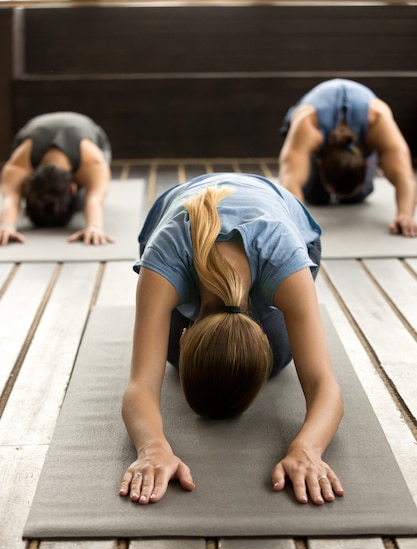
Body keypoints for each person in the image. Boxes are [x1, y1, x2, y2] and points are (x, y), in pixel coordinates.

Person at [119, 172, 344, 507]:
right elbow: (140, 385)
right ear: (185, 337)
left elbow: (324, 384)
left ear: (185, 336)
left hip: (281, 219)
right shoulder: (163, 260)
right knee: (244, 360)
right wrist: (151, 447)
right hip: (176, 213)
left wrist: (307, 450)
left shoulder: (284, 259)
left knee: (273, 357)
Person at [278, 78, 417, 237]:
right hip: (311, 133)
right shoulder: (309, 127)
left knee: (357, 196)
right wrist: (297, 223)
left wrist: (405, 215)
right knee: (315, 196)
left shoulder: (378, 124)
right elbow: (290, 179)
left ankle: (354, 192)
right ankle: (321, 188)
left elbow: (404, 175)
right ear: (320, 163)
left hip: (363, 135)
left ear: (366, 164)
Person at [0, 111, 114, 246]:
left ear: (74, 187)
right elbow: (10, 198)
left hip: (91, 135)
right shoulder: (19, 163)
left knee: (78, 205)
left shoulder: (93, 162)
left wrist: (95, 226)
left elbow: (94, 199)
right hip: (34, 133)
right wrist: (6, 226)